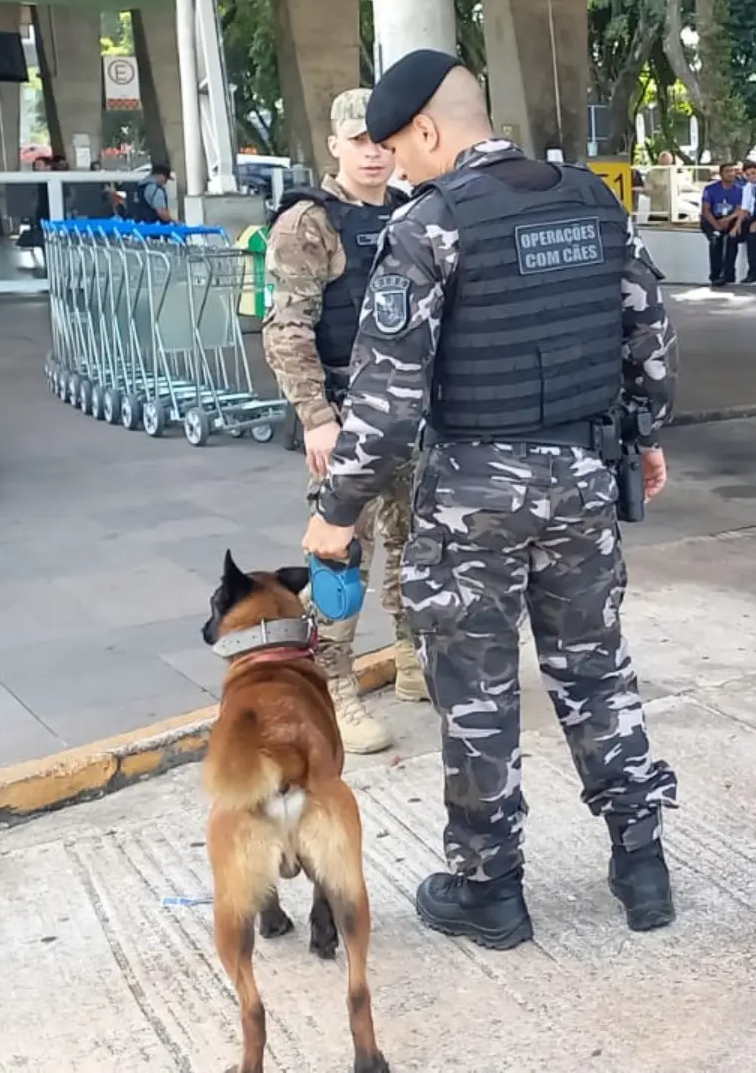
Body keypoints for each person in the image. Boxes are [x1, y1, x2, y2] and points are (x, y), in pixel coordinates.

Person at [303, 51, 678, 950]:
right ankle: (642, 861)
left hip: (473, 497)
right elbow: (651, 333)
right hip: (584, 480)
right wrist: (646, 434)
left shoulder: (430, 226)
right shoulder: (593, 202)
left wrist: (339, 506)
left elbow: (387, 400)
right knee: (596, 669)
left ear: (427, 131)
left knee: (476, 692)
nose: (394, 166)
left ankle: (490, 888)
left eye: (397, 148)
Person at [263, 88, 426, 754]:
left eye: (383, 140)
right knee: (339, 557)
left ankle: (416, 664)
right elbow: (286, 330)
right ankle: (336, 689)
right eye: (359, 140)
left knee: (420, 544)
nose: (373, 152)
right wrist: (316, 418)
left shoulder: (414, 216)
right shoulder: (308, 224)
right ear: (334, 143)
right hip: (348, 419)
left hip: (412, 416)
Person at [700, 162, 744, 285]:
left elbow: (740, 210)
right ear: (721, 174)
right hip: (712, 219)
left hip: (730, 219)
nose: (731, 174)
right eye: (727, 171)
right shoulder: (710, 189)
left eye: (732, 171)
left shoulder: (740, 190)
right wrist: (716, 225)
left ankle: (728, 274)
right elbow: (706, 210)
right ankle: (715, 275)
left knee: (731, 239)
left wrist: (728, 220)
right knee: (715, 240)